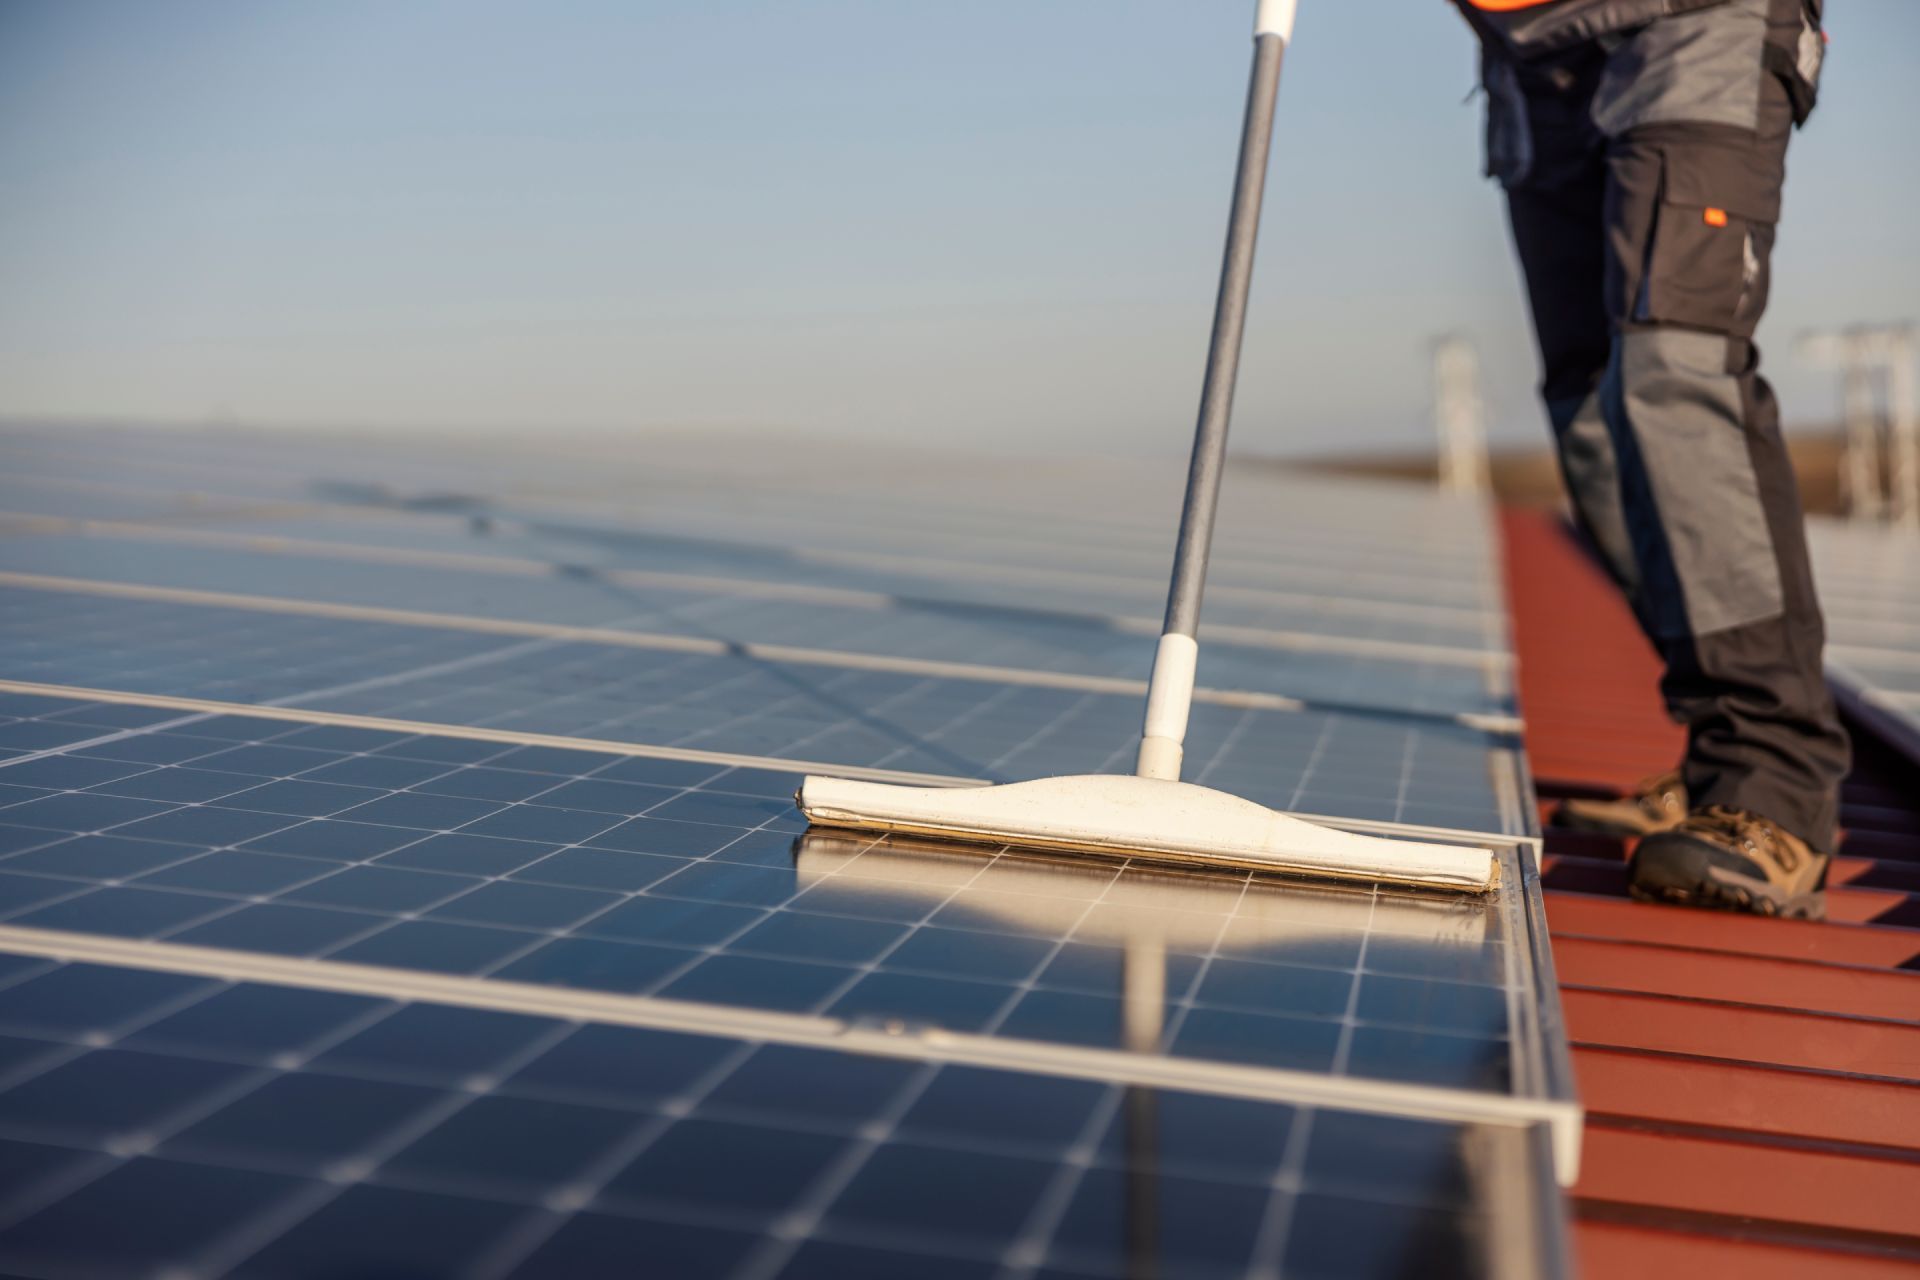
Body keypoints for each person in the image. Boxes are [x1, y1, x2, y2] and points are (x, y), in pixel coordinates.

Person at [1452, 0, 1847, 918]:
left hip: (1694, 24)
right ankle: (1718, 762)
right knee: (1588, 413)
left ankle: (1773, 788)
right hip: (1531, 61)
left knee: (1677, 370)